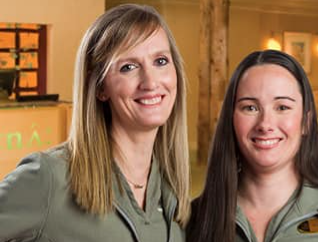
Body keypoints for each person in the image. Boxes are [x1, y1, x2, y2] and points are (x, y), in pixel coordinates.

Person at [0, 4, 190, 242]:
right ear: (100, 87)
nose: (150, 82)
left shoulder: (171, 189)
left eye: (161, 61)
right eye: (128, 67)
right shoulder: (49, 179)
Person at [187, 50, 318, 242]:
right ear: (231, 120)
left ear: (306, 121)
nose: (265, 124)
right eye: (250, 108)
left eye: (282, 107)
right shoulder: (192, 219)